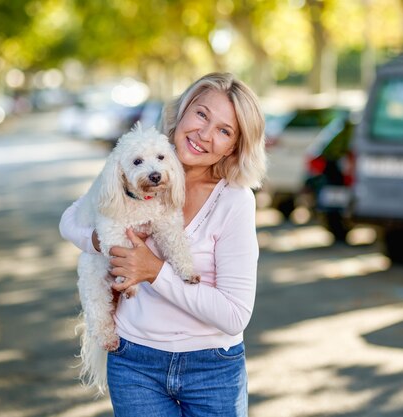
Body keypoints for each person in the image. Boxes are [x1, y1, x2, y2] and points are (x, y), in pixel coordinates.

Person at [59, 72, 267, 416]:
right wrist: (104, 243)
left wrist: (154, 271)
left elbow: (235, 315)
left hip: (212, 369)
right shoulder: (139, 159)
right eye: (201, 114)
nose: (204, 134)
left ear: (235, 145)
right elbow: (71, 220)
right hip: (134, 363)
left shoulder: (235, 201)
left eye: (224, 130)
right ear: (183, 110)